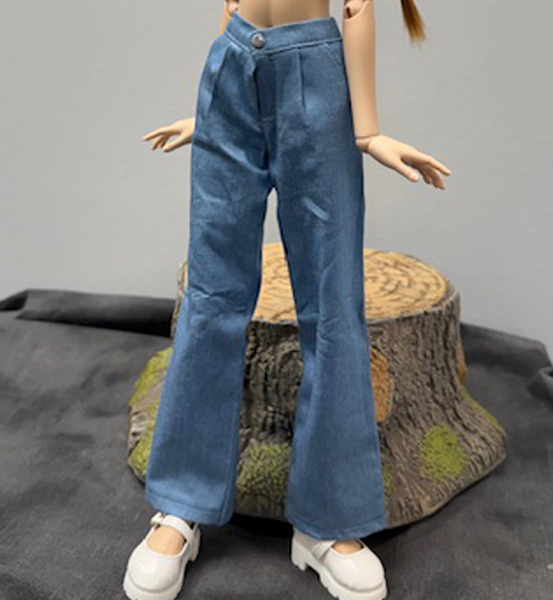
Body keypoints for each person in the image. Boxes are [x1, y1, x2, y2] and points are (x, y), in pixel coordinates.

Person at [123, 2, 451, 600]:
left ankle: (330, 518)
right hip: (231, 69)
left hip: (317, 78)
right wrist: (214, 113)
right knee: (211, 295)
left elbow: (356, 4)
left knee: (332, 302)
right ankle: (181, 503)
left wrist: (367, 131)